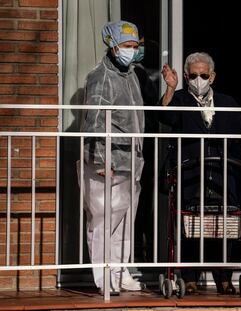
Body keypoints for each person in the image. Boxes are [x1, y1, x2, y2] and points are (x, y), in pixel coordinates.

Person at [160, 52, 241, 294]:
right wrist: (170, 88)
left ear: (212, 76)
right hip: (190, 173)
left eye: (204, 75)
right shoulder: (180, 99)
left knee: (224, 225)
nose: (199, 79)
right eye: (193, 75)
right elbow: (165, 116)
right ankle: (189, 277)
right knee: (190, 224)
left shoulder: (226, 101)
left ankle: (224, 277)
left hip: (222, 172)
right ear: (185, 76)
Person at [79, 20, 146, 294]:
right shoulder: (100, 77)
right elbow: (93, 121)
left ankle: (120, 272)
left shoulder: (130, 75)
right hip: (108, 162)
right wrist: (100, 160)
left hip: (130, 160)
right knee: (103, 221)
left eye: (135, 45)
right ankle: (104, 277)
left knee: (125, 222)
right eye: (127, 46)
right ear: (113, 46)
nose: (132, 51)